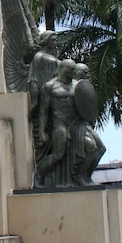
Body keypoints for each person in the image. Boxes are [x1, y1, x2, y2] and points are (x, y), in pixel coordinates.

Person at [35, 59, 77, 187]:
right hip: (59, 123)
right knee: (58, 154)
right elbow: (43, 111)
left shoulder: (77, 85)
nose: (74, 72)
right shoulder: (50, 86)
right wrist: (41, 131)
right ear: (64, 69)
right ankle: (39, 174)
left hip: (75, 124)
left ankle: (79, 177)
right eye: (72, 69)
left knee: (91, 148)